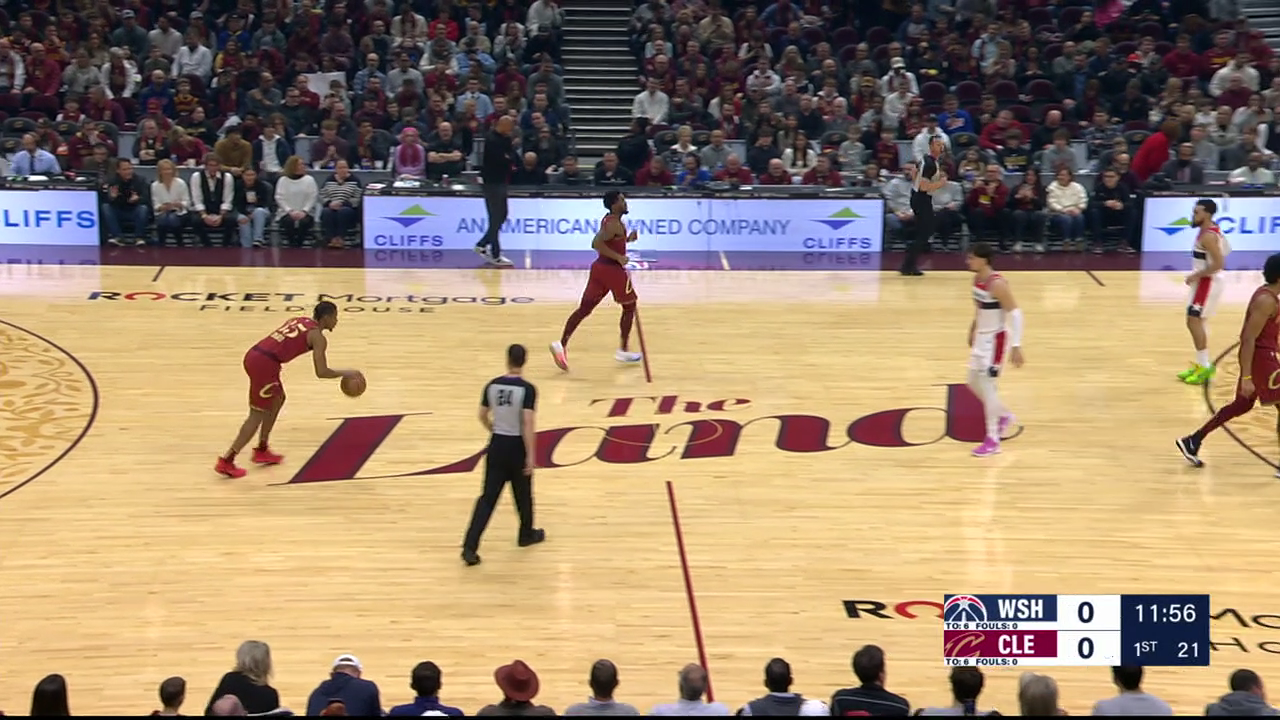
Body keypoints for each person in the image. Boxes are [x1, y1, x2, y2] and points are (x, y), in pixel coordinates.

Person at [215, 301, 363, 479]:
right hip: (265, 364)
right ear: (326, 318)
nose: (336, 321)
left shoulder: (299, 320)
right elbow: (321, 372)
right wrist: (348, 372)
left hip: (255, 354)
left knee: (278, 399)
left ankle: (262, 449)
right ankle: (227, 460)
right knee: (256, 414)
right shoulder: (318, 338)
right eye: (335, 317)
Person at [1176, 253, 1280, 475]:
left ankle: (1193, 440)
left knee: (1241, 405)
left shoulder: (1270, 296)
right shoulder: (1267, 301)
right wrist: (1247, 377)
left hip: (1262, 358)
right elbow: (1248, 339)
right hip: (1262, 362)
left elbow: (1264, 335)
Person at [461, 344, 544, 566]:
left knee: (487, 499)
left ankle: (469, 547)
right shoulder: (527, 389)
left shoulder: (492, 385)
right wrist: (530, 455)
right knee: (523, 494)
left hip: (497, 443)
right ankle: (526, 534)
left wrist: (493, 429)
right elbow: (527, 422)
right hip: (516, 446)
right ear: (524, 361)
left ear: (507, 360)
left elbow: (482, 414)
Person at [549, 190, 643, 370]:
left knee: (584, 309)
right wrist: (619, 257)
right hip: (612, 270)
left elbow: (610, 242)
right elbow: (596, 243)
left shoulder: (611, 221)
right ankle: (623, 350)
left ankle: (561, 344)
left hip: (599, 269)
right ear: (614, 204)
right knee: (630, 306)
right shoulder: (613, 224)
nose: (625, 203)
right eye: (622, 200)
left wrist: (627, 240)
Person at [966, 242, 1024, 457]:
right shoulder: (976, 280)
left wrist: (1016, 345)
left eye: (972, 258)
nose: (968, 261)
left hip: (995, 341)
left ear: (984, 260)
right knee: (972, 381)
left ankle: (992, 440)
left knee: (988, 387)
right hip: (981, 337)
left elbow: (1016, 314)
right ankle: (1004, 415)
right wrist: (973, 328)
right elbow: (979, 308)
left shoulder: (997, 284)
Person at [1177, 199, 1231, 386]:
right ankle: (1202, 364)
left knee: (1193, 320)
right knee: (1198, 321)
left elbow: (1219, 263)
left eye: (1197, 212)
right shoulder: (1210, 230)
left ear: (1207, 214)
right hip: (1204, 282)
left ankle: (1205, 366)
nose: (1193, 215)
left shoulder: (1208, 236)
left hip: (1207, 283)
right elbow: (1227, 249)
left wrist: (1196, 275)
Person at [903, 134, 947, 276]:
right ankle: (908, 265)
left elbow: (914, 172)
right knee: (925, 232)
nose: (941, 147)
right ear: (930, 146)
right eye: (937, 144)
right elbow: (923, 187)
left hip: (917, 197)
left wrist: (917, 183)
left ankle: (908, 265)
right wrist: (940, 183)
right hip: (922, 198)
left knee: (924, 231)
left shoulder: (925, 159)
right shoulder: (930, 164)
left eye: (942, 144)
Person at [476, 114, 516, 266]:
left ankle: (482, 244)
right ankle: (495, 254)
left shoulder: (506, 139)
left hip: (501, 181)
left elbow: (511, 157)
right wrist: (507, 159)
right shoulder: (491, 139)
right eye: (510, 126)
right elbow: (500, 159)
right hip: (491, 182)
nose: (511, 129)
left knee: (502, 215)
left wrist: (508, 158)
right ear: (502, 124)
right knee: (495, 217)